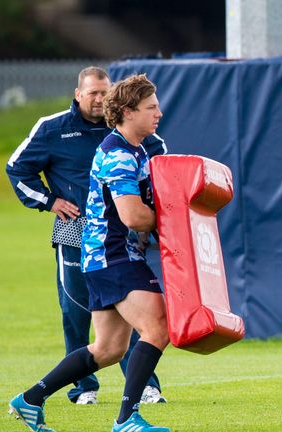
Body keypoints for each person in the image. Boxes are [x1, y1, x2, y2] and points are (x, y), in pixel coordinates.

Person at [9, 74, 171, 432]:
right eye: (151, 107)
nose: (159, 113)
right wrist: (172, 220)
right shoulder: (118, 155)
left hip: (104, 256)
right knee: (157, 326)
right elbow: (133, 216)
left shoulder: (138, 148)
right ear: (129, 112)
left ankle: (30, 400)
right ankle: (127, 419)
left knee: (109, 348)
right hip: (113, 255)